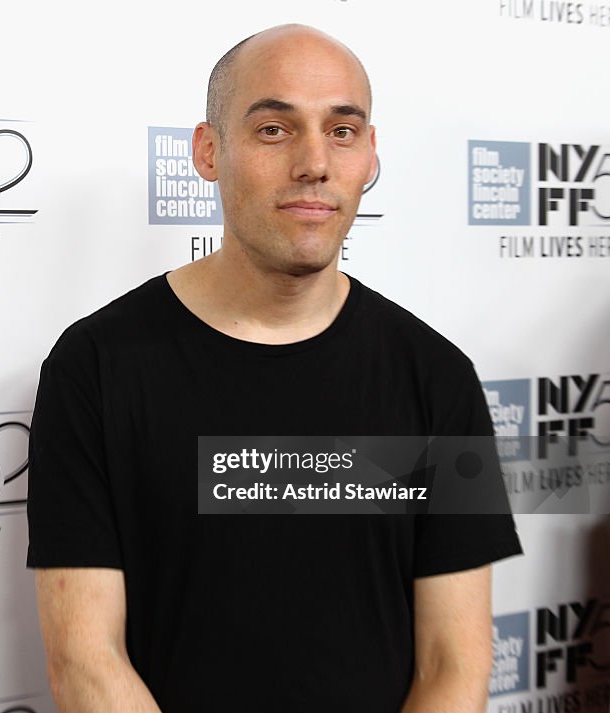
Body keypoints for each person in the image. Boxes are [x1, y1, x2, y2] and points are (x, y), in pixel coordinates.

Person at [26, 24, 522, 712]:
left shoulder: (436, 376)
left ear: (370, 154)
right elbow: (86, 663)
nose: (314, 162)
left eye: (342, 131)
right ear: (208, 151)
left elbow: (454, 661)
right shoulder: (96, 368)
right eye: (274, 130)